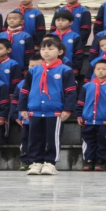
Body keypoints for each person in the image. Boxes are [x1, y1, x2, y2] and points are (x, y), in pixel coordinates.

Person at [18, 37, 77, 175]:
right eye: (43, 49)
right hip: (35, 110)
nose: (46, 51)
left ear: (60, 51)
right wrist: (22, 107)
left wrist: (67, 109)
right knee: (34, 138)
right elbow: (25, 90)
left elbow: (70, 91)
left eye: (50, 49)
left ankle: (50, 163)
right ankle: (36, 162)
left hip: (54, 111)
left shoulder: (65, 70)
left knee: (52, 138)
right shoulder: (34, 70)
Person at [76, 59, 106, 172]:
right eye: (98, 69)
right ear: (94, 70)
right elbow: (81, 102)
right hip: (88, 119)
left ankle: (100, 161)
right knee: (88, 140)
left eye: (104, 69)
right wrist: (79, 115)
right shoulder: (86, 86)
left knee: (103, 140)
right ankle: (88, 160)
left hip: (104, 121)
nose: (100, 71)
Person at [10, 53, 43, 171]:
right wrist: (15, 115)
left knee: (40, 140)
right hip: (25, 120)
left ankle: (39, 161)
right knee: (25, 140)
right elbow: (15, 101)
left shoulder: (46, 82)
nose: (34, 68)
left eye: (37, 66)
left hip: (41, 118)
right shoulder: (21, 84)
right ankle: (26, 160)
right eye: (31, 66)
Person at [51, 10, 84, 75]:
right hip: (52, 66)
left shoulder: (75, 36)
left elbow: (78, 53)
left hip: (69, 66)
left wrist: (76, 68)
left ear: (71, 22)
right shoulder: (50, 36)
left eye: (63, 20)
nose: (60, 22)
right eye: (57, 20)